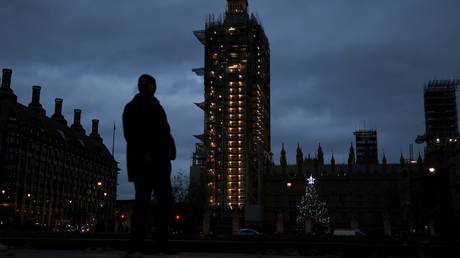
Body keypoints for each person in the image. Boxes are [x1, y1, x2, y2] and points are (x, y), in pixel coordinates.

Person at [122, 74, 177, 255]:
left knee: (165, 202)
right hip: (144, 163)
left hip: (161, 162)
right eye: (141, 82)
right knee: (142, 203)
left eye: (148, 82)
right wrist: (142, 154)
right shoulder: (132, 107)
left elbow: (166, 130)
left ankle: (161, 243)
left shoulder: (158, 107)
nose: (144, 84)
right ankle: (137, 244)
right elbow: (131, 134)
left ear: (154, 86)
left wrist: (171, 150)